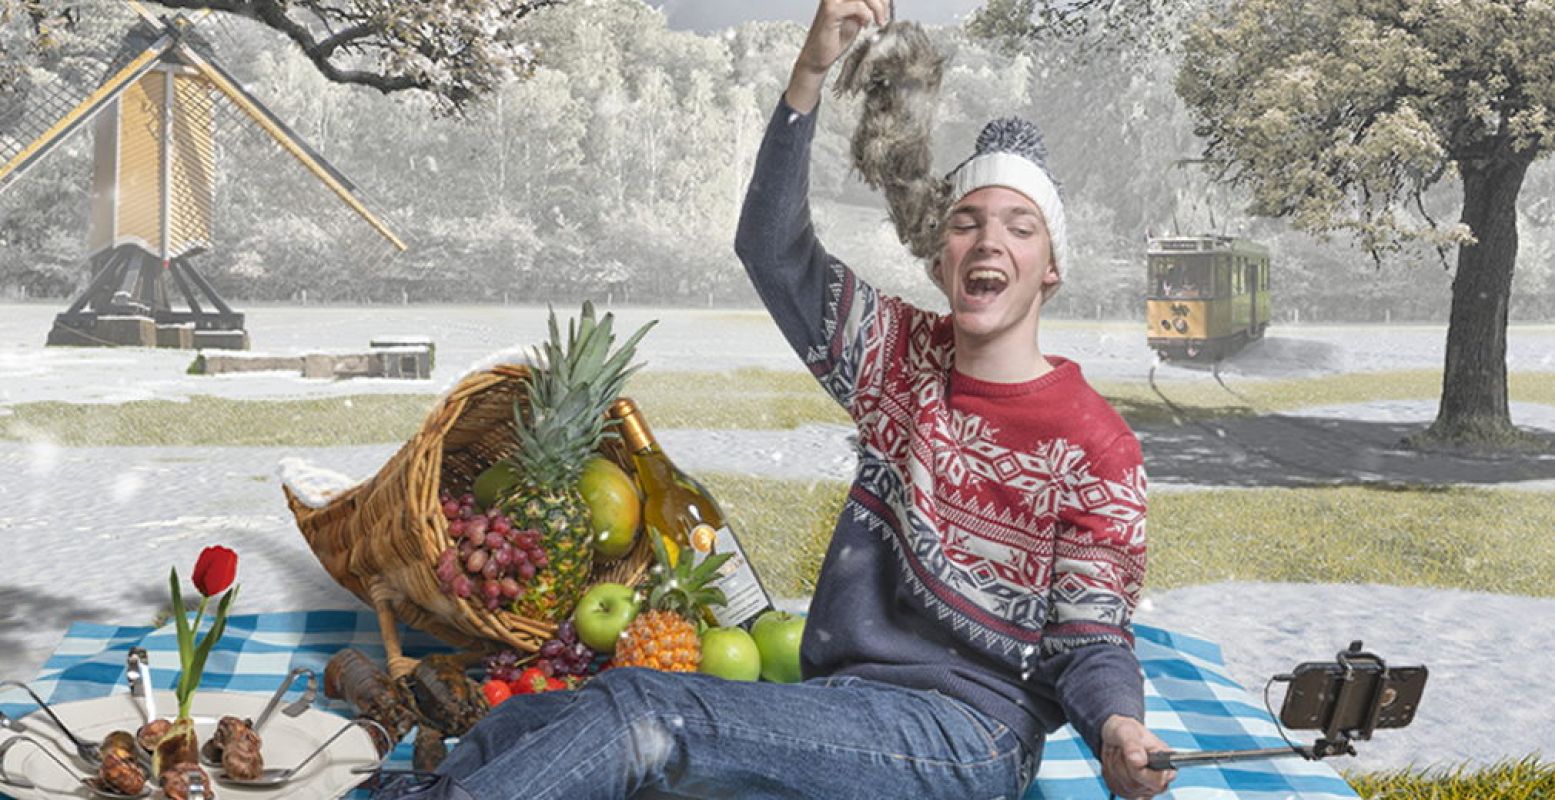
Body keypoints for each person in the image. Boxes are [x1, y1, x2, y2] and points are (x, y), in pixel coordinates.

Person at [372, 2, 1174, 798]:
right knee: (535, 722)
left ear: (1050, 267)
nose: (988, 240)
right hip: (839, 703)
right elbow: (771, 248)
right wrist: (809, 73)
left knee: (645, 714)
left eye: (1019, 226)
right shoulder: (899, 357)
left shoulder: (1096, 443)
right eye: (966, 222)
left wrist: (1119, 726)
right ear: (942, 256)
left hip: (966, 736)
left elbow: (1092, 635)